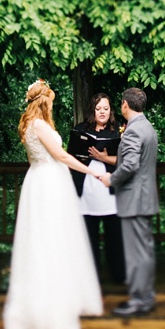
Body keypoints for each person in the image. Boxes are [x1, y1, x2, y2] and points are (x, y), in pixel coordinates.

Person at [3, 79, 104, 329]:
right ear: (44, 102)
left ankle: (43, 301)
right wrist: (91, 171)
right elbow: (61, 155)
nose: (52, 106)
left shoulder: (27, 125)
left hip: (37, 180)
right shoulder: (39, 125)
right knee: (51, 240)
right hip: (49, 183)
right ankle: (50, 308)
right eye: (51, 102)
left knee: (40, 241)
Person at [100, 87, 159, 317]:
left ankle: (139, 300)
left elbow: (130, 165)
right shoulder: (146, 127)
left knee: (136, 253)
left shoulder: (134, 131)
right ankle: (146, 297)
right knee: (144, 251)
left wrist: (111, 179)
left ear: (125, 104)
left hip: (134, 199)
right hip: (143, 198)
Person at [69, 93, 126, 284]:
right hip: (86, 188)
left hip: (109, 189)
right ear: (93, 110)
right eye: (98, 108)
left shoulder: (118, 131)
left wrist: (102, 157)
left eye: (106, 108)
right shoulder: (80, 129)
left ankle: (118, 276)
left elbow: (127, 160)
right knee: (88, 236)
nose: (102, 112)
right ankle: (90, 278)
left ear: (111, 111)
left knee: (114, 236)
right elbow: (70, 157)